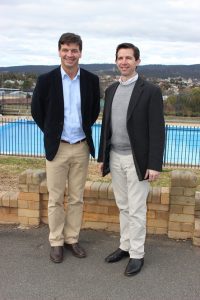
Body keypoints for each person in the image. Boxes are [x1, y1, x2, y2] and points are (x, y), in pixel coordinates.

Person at [31, 33, 100, 263]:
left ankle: (72, 238)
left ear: (81, 52)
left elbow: (92, 112)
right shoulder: (46, 80)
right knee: (55, 198)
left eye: (74, 50)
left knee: (77, 197)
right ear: (59, 51)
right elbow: (37, 112)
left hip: (80, 147)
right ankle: (56, 241)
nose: (70, 55)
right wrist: (53, 132)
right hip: (57, 148)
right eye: (65, 50)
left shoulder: (91, 80)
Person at [98, 43, 165, 276]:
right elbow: (105, 126)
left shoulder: (150, 91)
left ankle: (137, 254)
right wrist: (101, 157)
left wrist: (154, 164)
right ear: (116, 61)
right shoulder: (111, 90)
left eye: (128, 58)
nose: (124, 62)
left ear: (137, 61)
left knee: (137, 209)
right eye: (120, 58)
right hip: (115, 156)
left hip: (137, 160)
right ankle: (125, 246)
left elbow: (157, 130)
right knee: (123, 206)